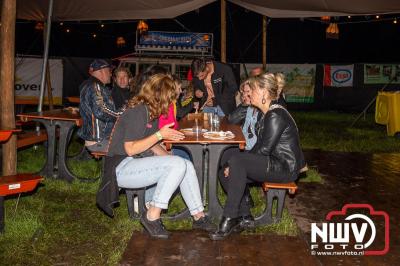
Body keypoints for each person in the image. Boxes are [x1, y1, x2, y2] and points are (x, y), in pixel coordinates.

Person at [99, 74, 214, 239]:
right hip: (120, 169)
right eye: (171, 98)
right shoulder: (138, 111)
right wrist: (160, 135)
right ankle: (151, 215)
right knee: (177, 164)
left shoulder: (151, 112)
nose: (173, 102)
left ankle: (198, 216)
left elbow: (152, 145)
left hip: (136, 163)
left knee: (184, 164)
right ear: (161, 96)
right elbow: (130, 149)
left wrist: (169, 156)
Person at [210, 73, 306, 240]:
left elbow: (264, 149)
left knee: (236, 162)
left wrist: (235, 164)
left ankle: (229, 217)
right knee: (226, 162)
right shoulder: (268, 112)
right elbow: (259, 146)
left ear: (263, 92)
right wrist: (230, 164)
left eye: (252, 90)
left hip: (284, 168)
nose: (248, 95)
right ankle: (244, 215)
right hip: (273, 162)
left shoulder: (275, 115)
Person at [78, 59, 122, 152]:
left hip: (100, 139)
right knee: (135, 148)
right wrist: (122, 114)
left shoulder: (92, 85)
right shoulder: (95, 86)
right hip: (100, 140)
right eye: (109, 71)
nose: (111, 74)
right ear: (101, 71)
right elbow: (101, 111)